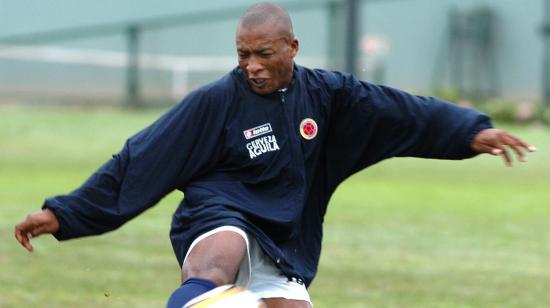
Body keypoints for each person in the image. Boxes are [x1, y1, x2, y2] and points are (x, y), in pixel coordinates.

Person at [14, 3, 536, 308]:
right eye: (243, 54)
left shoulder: (330, 97)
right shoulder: (215, 102)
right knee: (217, 265)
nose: (252, 66)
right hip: (217, 213)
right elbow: (141, 158)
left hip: (288, 236)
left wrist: (470, 131)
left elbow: (400, 112)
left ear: (292, 48)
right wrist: (65, 214)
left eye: (264, 54)